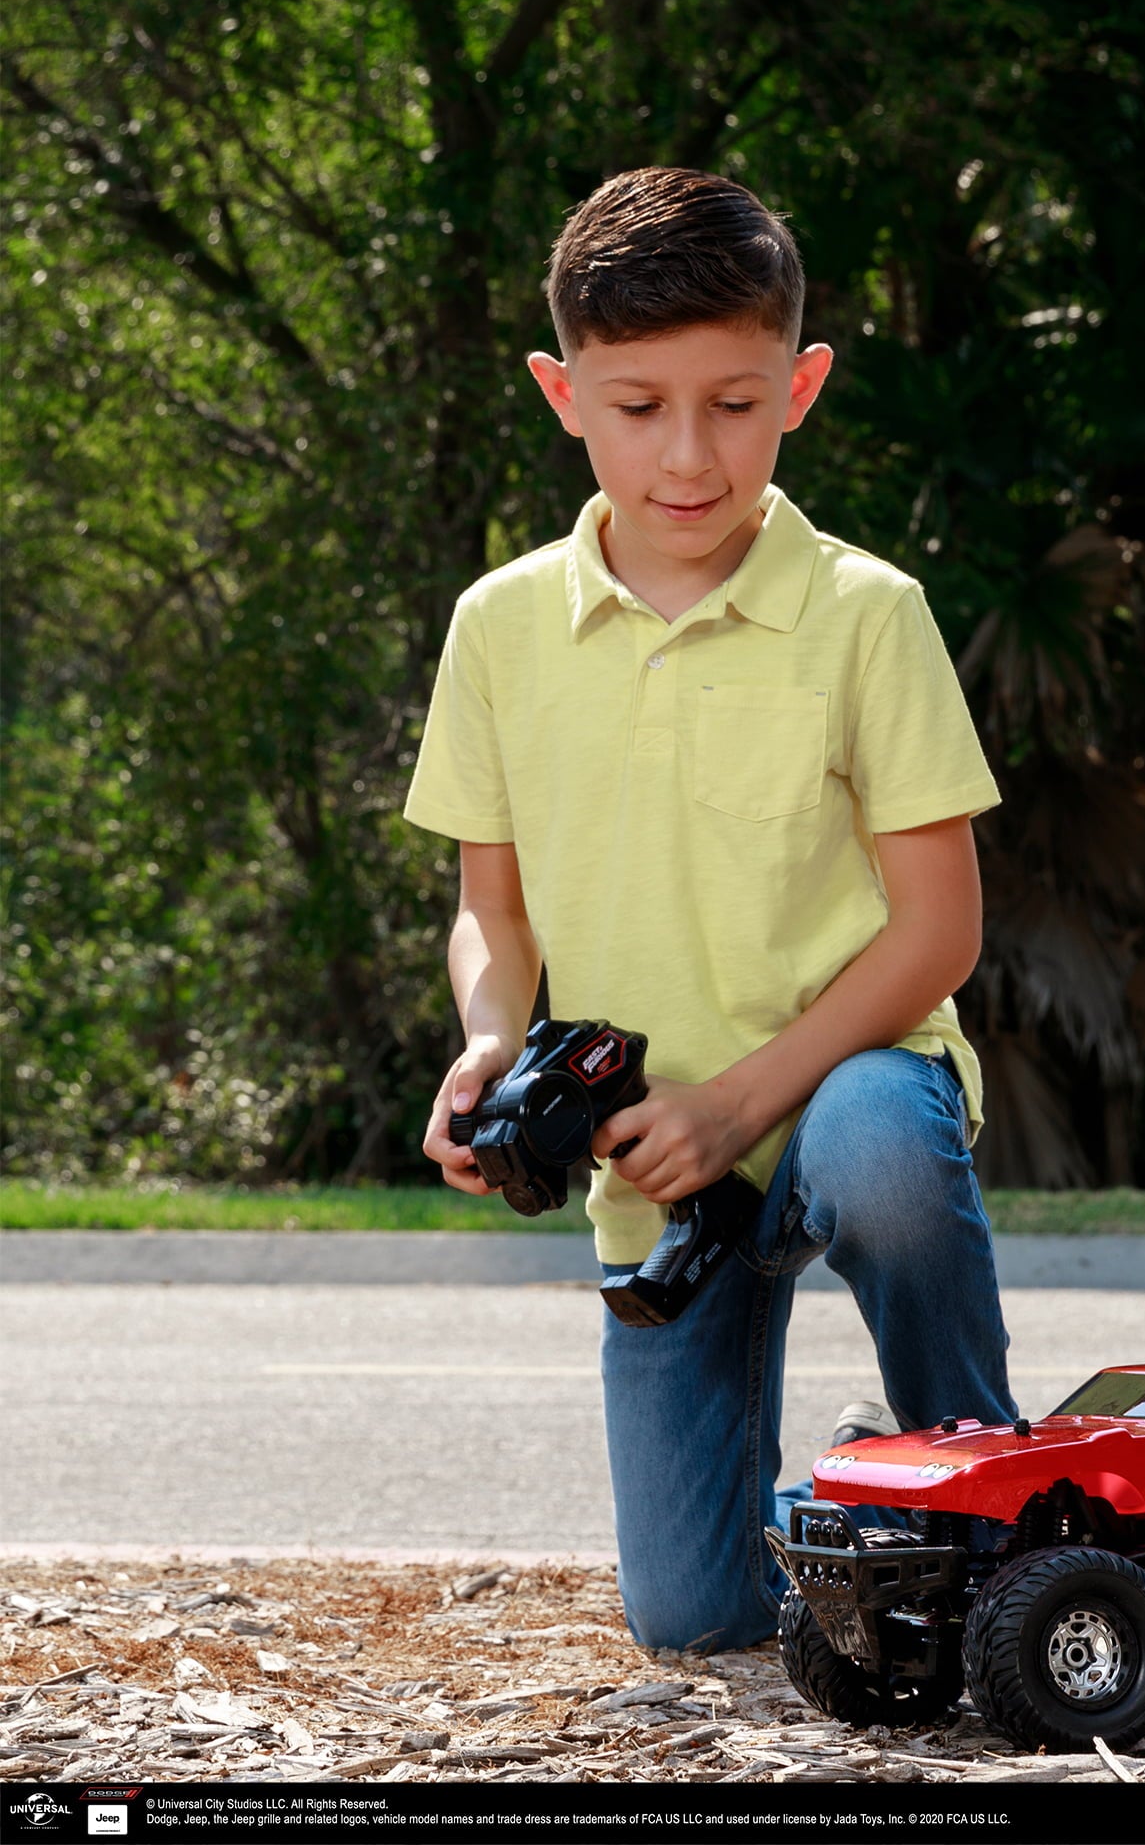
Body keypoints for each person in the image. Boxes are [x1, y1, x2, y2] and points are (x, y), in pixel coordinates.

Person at [403, 166, 1016, 1651]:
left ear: (800, 387)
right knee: (692, 1621)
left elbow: (939, 932)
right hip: (649, 1163)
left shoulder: (870, 613)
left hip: (838, 1096)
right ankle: (871, 1511)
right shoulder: (499, 627)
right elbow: (494, 914)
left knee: (875, 1140)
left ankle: (984, 1481)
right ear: (563, 393)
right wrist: (490, 1043)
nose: (688, 456)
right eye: (638, 406)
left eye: (735, 405)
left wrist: (744, 1101)